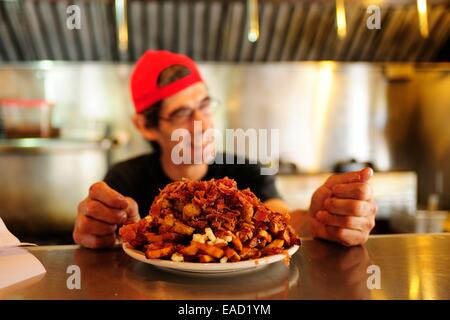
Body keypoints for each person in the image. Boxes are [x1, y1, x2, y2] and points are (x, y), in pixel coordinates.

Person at [73, 50, 377, 249]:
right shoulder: (126, 178)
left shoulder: (249, 172)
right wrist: (105, 228)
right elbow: (106, 232)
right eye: (181, 114)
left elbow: (277, 216)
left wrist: (319, 219)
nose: (201, 124)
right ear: (145, 126)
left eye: (204, 106)